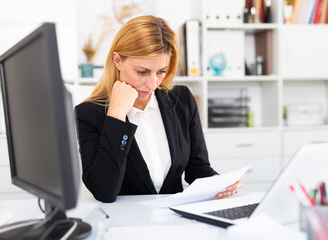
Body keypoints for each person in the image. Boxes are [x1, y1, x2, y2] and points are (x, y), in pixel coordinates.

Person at [75, 15, 243, 203]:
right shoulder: (89, 114)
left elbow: (198, 168)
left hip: (174, 220)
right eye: (142, 72)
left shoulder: (183, 100)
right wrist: (116, 116)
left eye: (161, 71)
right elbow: (104, 191)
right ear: (117, 60)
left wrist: (218, 184)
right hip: (123, 224)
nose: (152, 84)